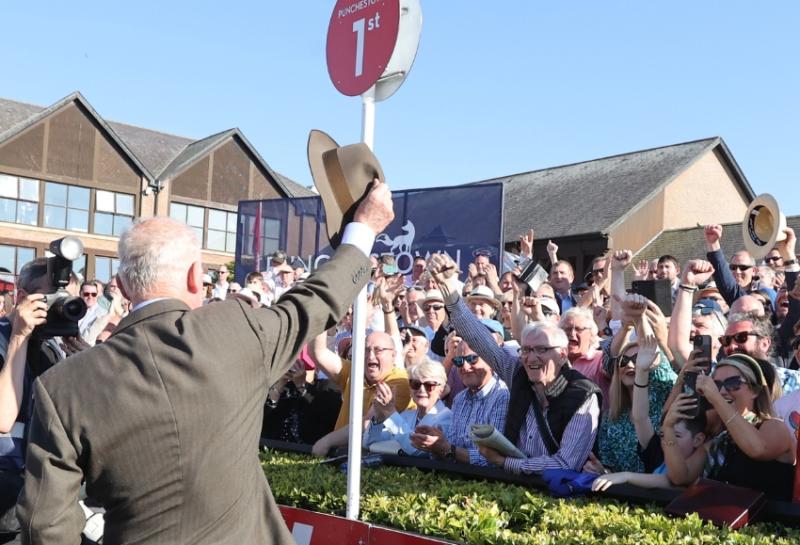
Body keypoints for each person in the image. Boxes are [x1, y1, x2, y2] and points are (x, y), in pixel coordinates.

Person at [17, 179, 395, 544]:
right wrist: (363, 229)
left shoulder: (63, 385)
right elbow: (315, 301)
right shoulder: (236, 330)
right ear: (196, 278)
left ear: (126, 286)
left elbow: (44, 524)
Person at [424, 253, 600, 474]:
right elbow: (477, 337)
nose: (531, 358)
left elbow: (566, 464)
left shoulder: (583, 395)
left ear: (562, 354)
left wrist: (506, 463)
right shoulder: (518, 372)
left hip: (558, 500)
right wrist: (449, 290)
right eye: (526, 350)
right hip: (510, 492)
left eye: (542, 350)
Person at [664, 354, 795, 500]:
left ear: (755, 391)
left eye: (733, 383)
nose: (722, 391)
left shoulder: (775, 426)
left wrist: (716, 398)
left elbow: (757, 449)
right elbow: (681, 476)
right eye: (717, 385)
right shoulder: (720, 441)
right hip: (723, 520)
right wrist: (668, 429)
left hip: (769, 521)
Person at [309, 330, 414, 456]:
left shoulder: (399, 382)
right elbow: (318, 352)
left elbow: (367, 425)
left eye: (378, 350)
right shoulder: (355, 372)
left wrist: (327, 441)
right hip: (341, 456)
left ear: (393, 355)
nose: (370, 356)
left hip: (374, 463)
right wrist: (322, 315)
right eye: (366, 349)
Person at [410, 338, 509, 466]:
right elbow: (451, 450)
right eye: (459, 361)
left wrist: (447, 449)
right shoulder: (460, 399)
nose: (465, 367)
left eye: (472, 359)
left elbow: (494, 459)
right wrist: (436, 444)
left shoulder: (503, 395)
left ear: (490, 360)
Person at [363, 360, 451, 456]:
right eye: (415, 384)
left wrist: (390, 413)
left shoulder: (446, 417)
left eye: (429, 385)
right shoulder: (406, 415)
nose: (421, 390)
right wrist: (379, 418)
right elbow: (368, 444)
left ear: (441, 389)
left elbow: (415, 450)